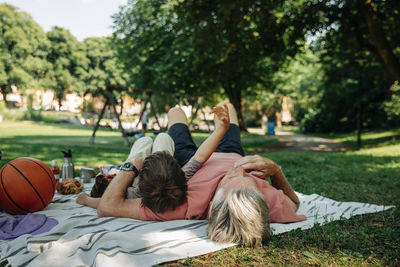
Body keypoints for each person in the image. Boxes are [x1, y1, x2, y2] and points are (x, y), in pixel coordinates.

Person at [77, 103, 306, 247]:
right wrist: (276, 172)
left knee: (175, 112)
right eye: (250, 181)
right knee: (227, 107)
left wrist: (131, 167)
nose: (239, 171)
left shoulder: (186, 205)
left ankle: (179, 110)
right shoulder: (265, 204)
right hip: (231, 151)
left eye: (231, 181)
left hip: (190, 158)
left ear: (215, 204)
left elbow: (107, 207)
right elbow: (294, 203)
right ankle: (220, 113)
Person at [83, 104, 230, 214]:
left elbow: (106, 203)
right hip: (155, 175)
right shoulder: (178, 182)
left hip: (133, 171)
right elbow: (200, 156)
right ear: (178, 171)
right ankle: (158, 151)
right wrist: (222, 129)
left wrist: (84, 200)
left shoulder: (134, 192)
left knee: (144, 141)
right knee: (163, 137)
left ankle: (144, 151)